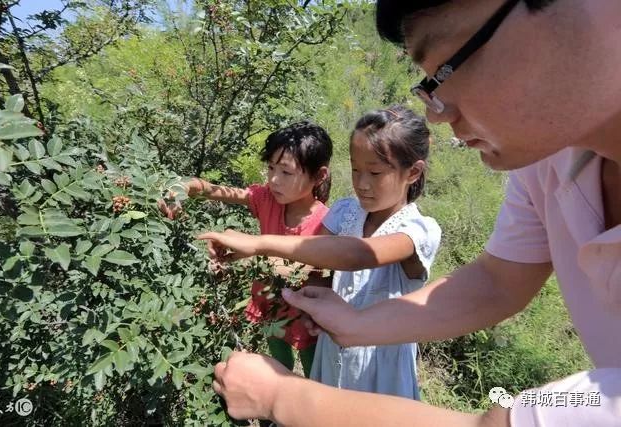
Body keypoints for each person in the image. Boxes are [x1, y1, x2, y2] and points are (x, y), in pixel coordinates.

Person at [206, 0, 621, 425]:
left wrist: (281, 398)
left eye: (445, 70)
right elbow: (497, 282)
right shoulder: (545, 161)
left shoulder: (418, 226)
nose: (437, 114)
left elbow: (498, 422)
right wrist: (354, 325)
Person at [201, 106, 441, 399]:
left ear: (413, 172)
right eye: (355, 169)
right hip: (332, 349)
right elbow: (315, 266)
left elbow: (358, 255)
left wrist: (258, 243)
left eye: (375, 172)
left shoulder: (418, 229)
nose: (362, 183)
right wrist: (311, 300)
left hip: (379, 364)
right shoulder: (345, 211)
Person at [159, 121, 333, 377]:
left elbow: (317, 275)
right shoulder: (267, 199)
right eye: (271, 168)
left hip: (308, 319)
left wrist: (249, 256)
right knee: (278, 365)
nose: (274, 179)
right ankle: (277, 405)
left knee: (314, 374)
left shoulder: (327, 222)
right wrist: (184, 187)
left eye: (286, 172)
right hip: (270, 308)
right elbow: (218, 191)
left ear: (319, 176)